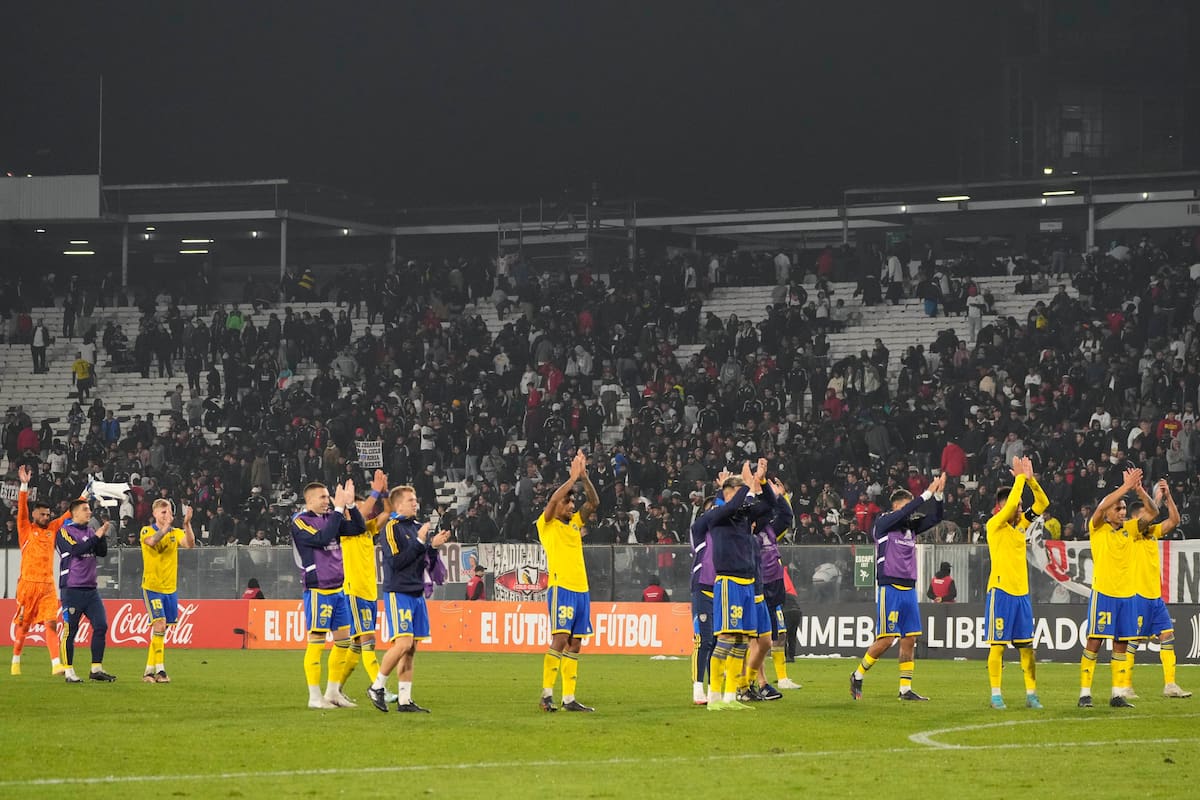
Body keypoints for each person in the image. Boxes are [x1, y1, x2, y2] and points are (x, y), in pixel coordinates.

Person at [850, 472, 946, 701]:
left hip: (909, 588)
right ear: (896, 507)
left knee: (909, 639)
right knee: (886, 639)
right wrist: (926, 494)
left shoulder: (910, 527)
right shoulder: (882, 524)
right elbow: (904, 512)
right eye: (906, 507)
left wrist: (939, 496)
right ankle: (858, 674)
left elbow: (936, 518)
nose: (910, 512)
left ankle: (905, 689)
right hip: (890, 586)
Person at [367, 484, 451, 713]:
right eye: (410, 500)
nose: (416, 503)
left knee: (411, 649)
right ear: (398, 505)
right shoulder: (391, 528)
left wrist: (432, 547)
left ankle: (405, 700)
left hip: (416, 592)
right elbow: (396, 562)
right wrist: (420, 542)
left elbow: (421, 559)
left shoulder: (416, 527)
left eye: (415, 500)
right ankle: (377, 686)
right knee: (403, 643)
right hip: (399, 592)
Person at [291, 480, 367, 709]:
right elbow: (322, 539)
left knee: (343, 642)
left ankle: (333, 693)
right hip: (318, 589)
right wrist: (338, 509)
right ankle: (314, 697)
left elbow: (358, 529)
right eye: (323, 497)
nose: (327, 501)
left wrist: (350, 505)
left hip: (338, 588)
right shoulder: (300, 521)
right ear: (309, 500)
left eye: (328, 496)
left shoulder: (330, 518)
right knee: (316, 642)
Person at [1078, 468, 1147, 709]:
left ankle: (1117, 694)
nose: (1122, 512)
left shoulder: (1131, 529)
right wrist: (1125, 487)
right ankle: (1084, 694)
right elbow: (1099, 508)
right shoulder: (1098, 527)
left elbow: (1154, 513)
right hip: (1104, 593)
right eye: (1118, 508)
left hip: (1127, 596)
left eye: (1124, 508)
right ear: (1108, 512)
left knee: (1121, 645)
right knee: (1094, 641)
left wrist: (1140, 491)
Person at [704, 461, 771, 711]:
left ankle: (731, 696)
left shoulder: (743, 517)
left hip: (747, 585)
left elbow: (770, 506)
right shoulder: (717, 514)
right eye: (739, 490)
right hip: (728, 582)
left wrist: (761, 481)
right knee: (725, 639)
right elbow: (732, 505)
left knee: (742, 641)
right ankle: (714, 697)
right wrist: (747, 484)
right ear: (729, 493)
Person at [537, 449, 599, 712]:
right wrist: (571, 479)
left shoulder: (574, 522)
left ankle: (569, 699)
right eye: (568, 502)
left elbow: (594, 502)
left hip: (581, 589)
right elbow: (553, 500)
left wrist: (584, 477)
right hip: (561, 587)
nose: (572, 505)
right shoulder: (546, 524)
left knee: (575, 644)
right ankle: (546, 695)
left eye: (573, 502)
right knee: (560, 638)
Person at [983, 456, 1047, 710]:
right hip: (1000, 592)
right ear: (1001, 508)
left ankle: (1031, 695)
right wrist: (1019, 478)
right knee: (998, 646)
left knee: (1026, 648)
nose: (1021, 509)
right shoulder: (994, 525)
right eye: (1018, 505)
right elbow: (1010, 505)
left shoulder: (1020, 526)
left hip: (1022, 594)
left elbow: (1043, 503)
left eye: (1021, 506)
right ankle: (996, 695)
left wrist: (1031, 481)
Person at [1127, 480, 1189, 699]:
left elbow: (1174, 520)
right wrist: (1152, 497)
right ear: (1136, 517)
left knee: (1167, 635)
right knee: (1133, 640)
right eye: (1145, 514)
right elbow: (1152, 513)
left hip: (1155, 597)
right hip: (1137, 595)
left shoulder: (1152, 532)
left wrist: (1168, 497)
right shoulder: (1131, 531)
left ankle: (1170, 685)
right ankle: (1125, 686)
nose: (1150, 517)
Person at [10, 464, 71, 676]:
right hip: (27, 585)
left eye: (48, 514)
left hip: (47, 586)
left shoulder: (52, 529)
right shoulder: (25, 529)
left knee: (51, 623)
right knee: (24, 625)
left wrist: (84, 496)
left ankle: (56, 664)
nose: (47, 517)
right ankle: (16, 659)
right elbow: (22, 508)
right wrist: (24, 485)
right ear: (35, 514)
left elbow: (67, 515)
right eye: (43, 514)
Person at [340, 470, 390, 700]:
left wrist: (385, 493)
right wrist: (375, 491)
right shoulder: (345, 531)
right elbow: (359, 514)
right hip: (355, 591)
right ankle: (378, 688)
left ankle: (335, 689)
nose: (365, 512)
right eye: (359, 508)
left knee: (357, 644)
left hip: (370, 592)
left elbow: (387, 512)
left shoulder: (368, 530)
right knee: (368, 639)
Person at [56, 498, 117, 683]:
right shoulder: (64, 531)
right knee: (71, 630)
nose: (89, 512)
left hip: (91, 590)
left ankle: (96, 669)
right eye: (85, 509)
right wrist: (96, 536)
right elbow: (76, 550)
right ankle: (68, 671)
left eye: (89, 509)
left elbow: (102, 552)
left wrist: (102, 534)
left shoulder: (90, 531)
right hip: (72, 588)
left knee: (101, 626)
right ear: (74, 512)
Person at [139, 498, 195, 683]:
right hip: (152, 587)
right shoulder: (146, 530)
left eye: (169, 511)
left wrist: (187, 524)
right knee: (160, 625)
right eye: (163, 512)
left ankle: (148, 671)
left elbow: (190, 544)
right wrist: (165, 528)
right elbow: (152, 542)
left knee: (161, 630)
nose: (167, 515)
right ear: (154, 514)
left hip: (170, 589)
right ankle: (161, 670)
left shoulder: (175, 532)